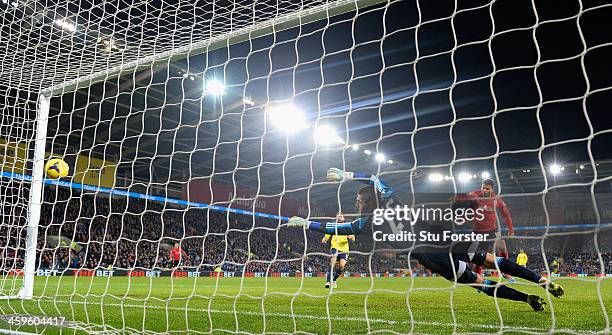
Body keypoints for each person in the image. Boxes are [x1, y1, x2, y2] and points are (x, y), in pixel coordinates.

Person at [288, 168, 564, 311]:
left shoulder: (366, 224)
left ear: (366, 201)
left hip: (432, 256)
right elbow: (374, 178)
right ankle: (542, 283)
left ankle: (528, 298)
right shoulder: (390, 201)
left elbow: (337, 228)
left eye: (358, 199)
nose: (356, 202)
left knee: (481, 282)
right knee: (494, 261)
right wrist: (348, 176)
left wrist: (306, 224)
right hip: (442, 239)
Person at [456, 178, 515, 279]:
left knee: (502, 247)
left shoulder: (497, 200)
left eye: (487, 189)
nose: (484, 190)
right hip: (478, 231)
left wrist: (511, 229)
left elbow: (506, 215)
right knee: (478, 255)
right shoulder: (475, 195)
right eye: (483, 188)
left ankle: (505, 272)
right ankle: (477, 276)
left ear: (492, 190)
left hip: (492, 229)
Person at [321, 212, 355, 288]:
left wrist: (351, 237)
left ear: (343, 218)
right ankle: (328, 282)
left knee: (341, 266)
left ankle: (334, 280)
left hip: (344, 250)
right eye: (338, 217)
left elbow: (353, 239)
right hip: (334, 248)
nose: (339, 218)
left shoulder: (348, 227)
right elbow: (327, 234)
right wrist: (325, 239)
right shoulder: (333, 226)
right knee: (332, 262)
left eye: (341, 217)